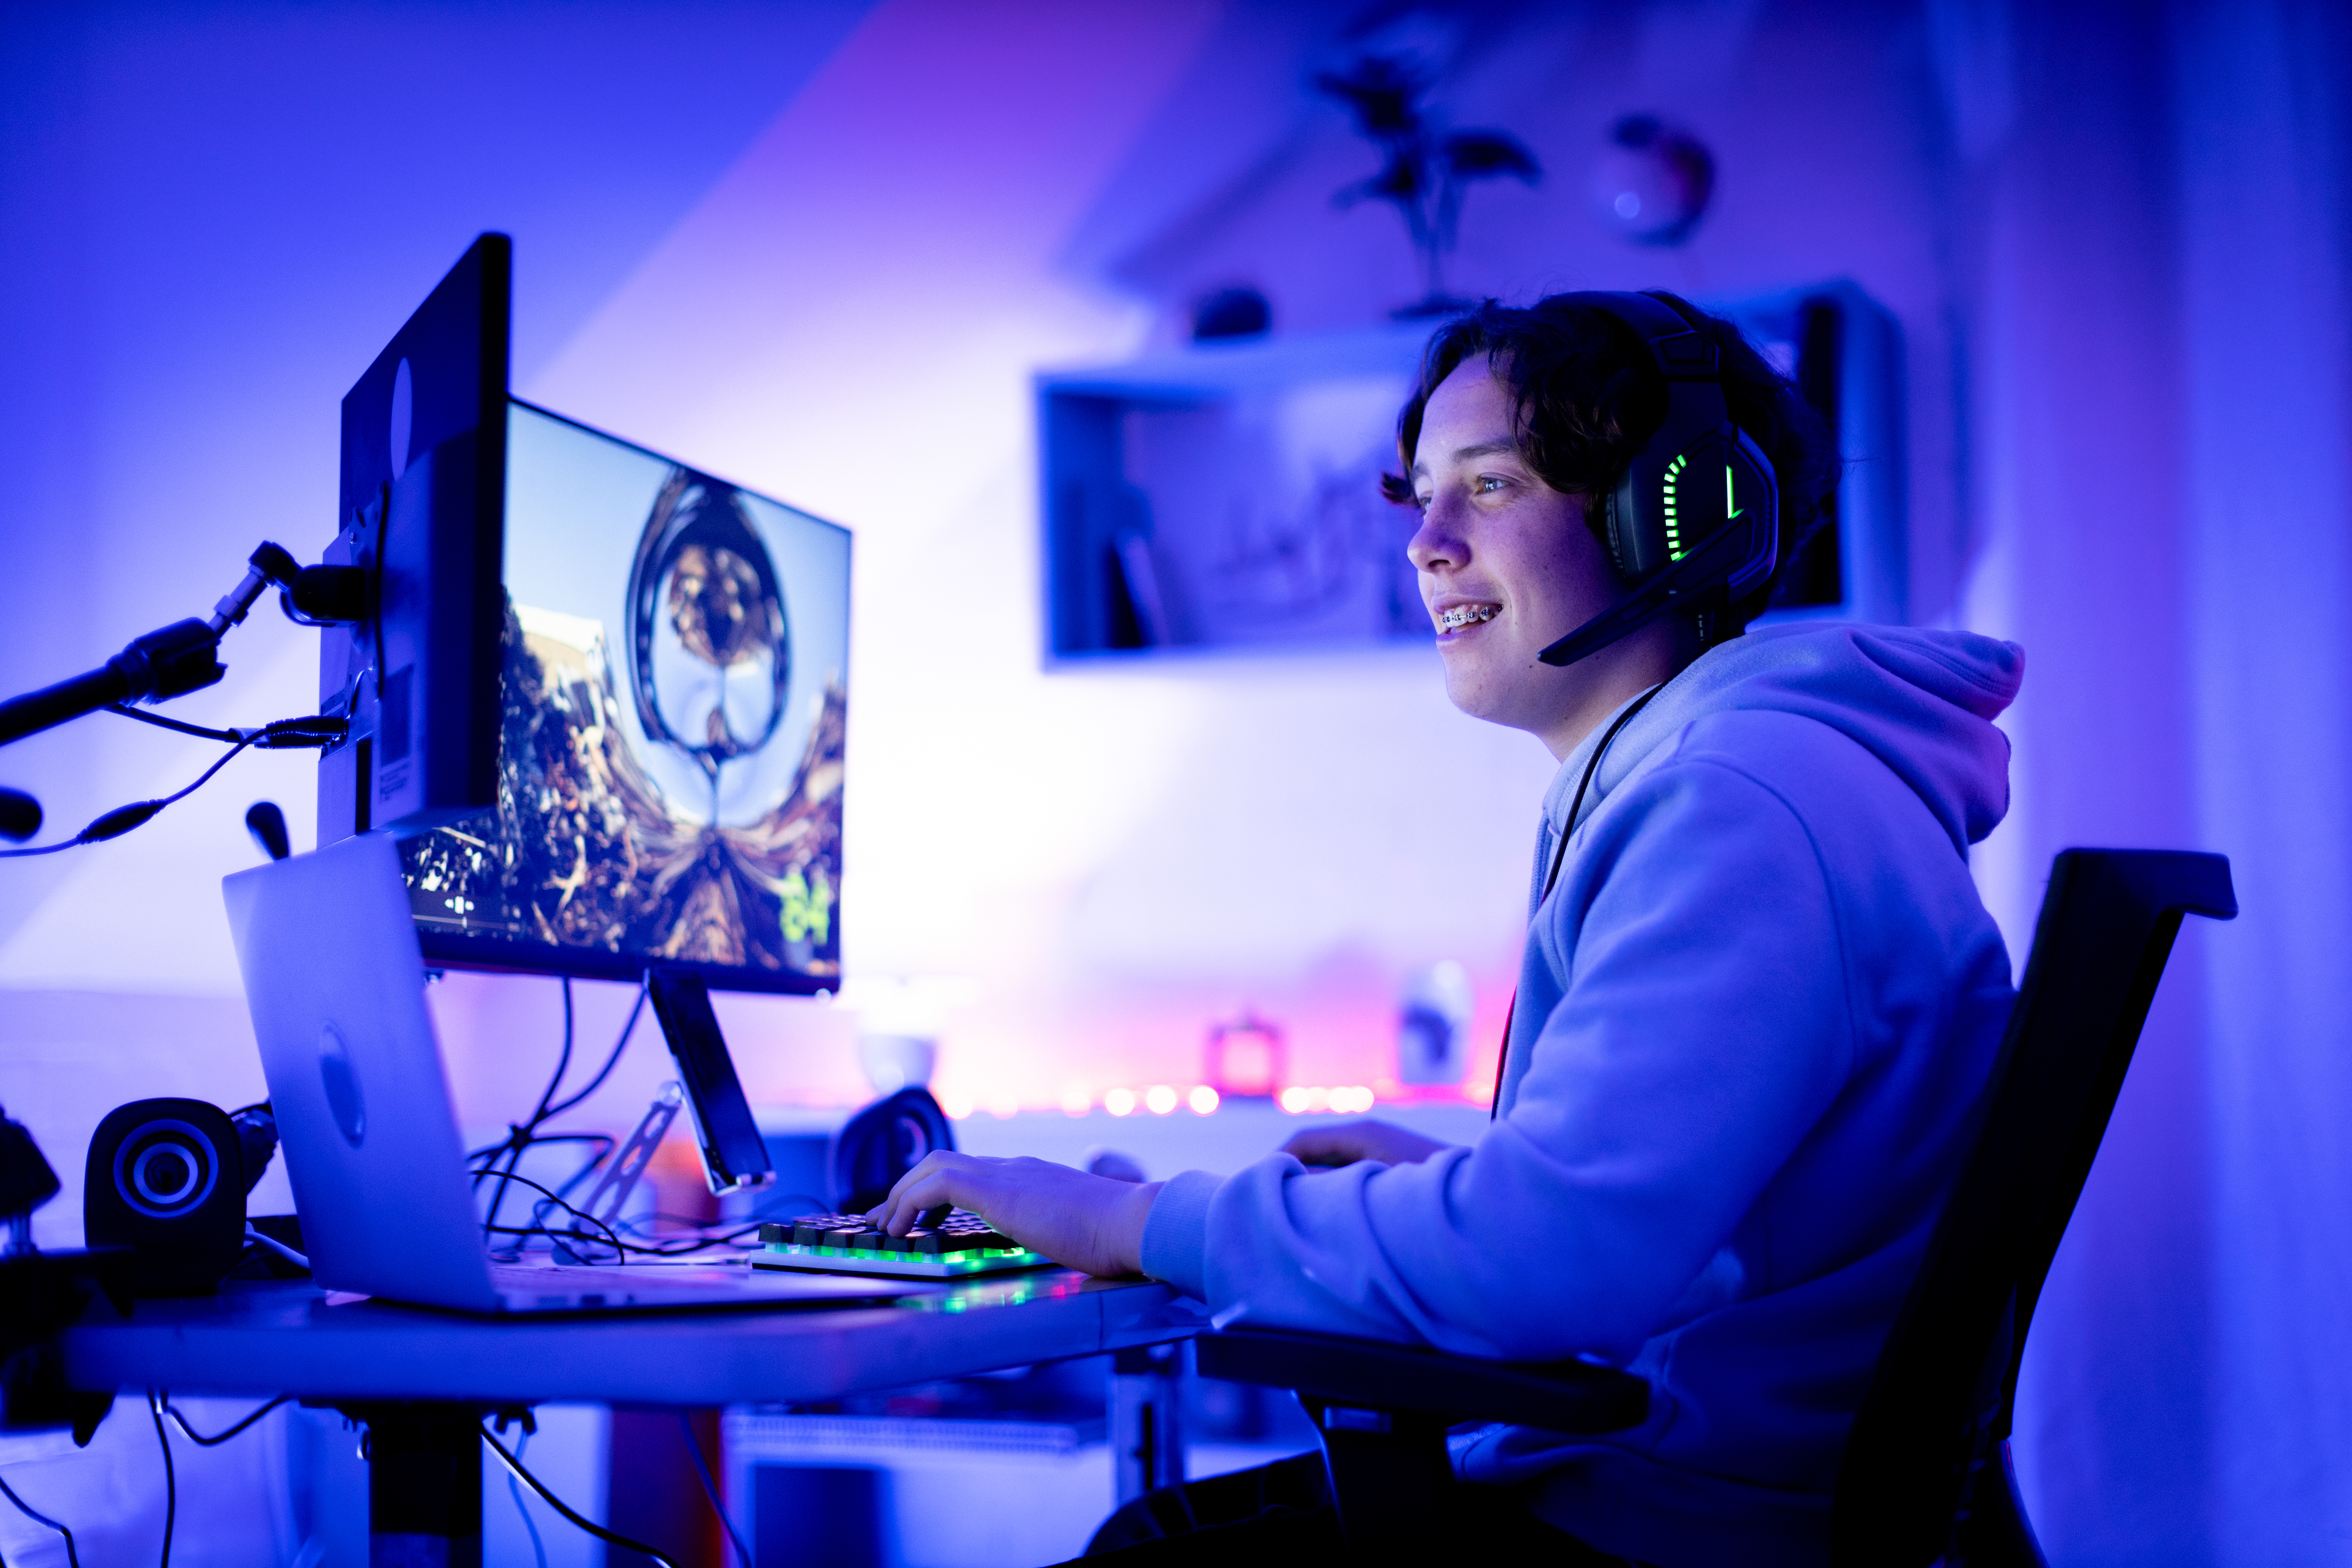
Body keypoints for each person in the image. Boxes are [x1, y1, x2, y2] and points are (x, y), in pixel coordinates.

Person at [864, 292, 2024, 1567]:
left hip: (1653, 1528)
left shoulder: (1734, 803)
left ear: (1679, 516)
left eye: (1490, 484)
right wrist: (1434, 1189)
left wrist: (1124, 1221)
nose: (1424, 542)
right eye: (1420, 494)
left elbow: (1556, 1262)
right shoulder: (1740, 774)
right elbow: (1702, 1233)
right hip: (1685, 1487)